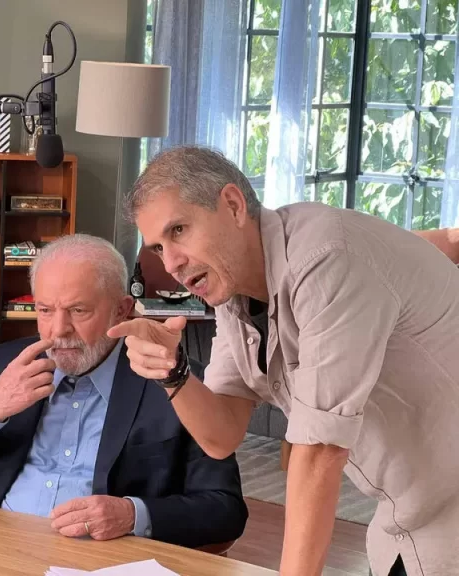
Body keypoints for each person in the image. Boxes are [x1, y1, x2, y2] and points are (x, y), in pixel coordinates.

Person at [108, 146, 459, 576]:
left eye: (178, 230)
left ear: (233, 205)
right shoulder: (235, 290)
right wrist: (172, 372)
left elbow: (321, 450)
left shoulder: (327, 257)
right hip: (405, 520)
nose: (171, 263)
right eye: (159, 247)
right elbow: (222, 435)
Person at [0, 233, 248, 549]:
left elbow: (225, 509)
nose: (58, 330)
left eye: (78, 310)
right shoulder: (3, 366)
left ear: (122, 310)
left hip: (101, 561)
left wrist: (132, 515)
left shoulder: (176, 380)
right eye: (45, 310)